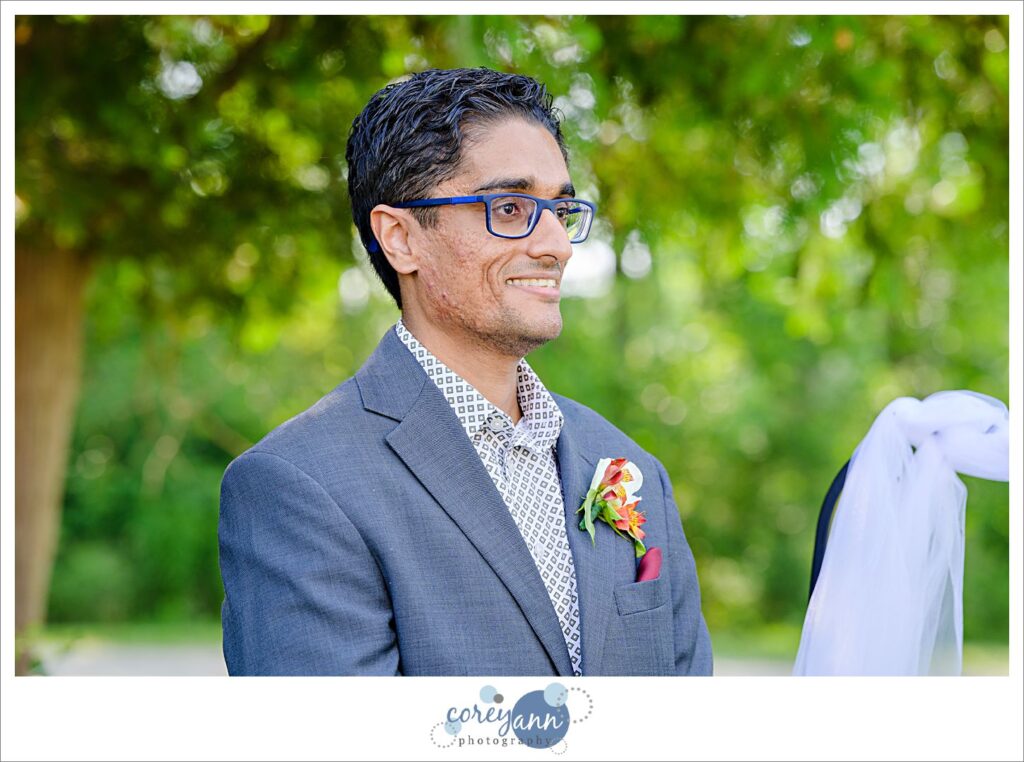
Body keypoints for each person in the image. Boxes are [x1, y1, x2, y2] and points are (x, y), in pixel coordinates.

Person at [218, 67, 713, 676]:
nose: (557, 244)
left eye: (560, 209)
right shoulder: (300, 485)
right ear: (400, 239)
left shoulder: (632, 471)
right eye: (510, 207)